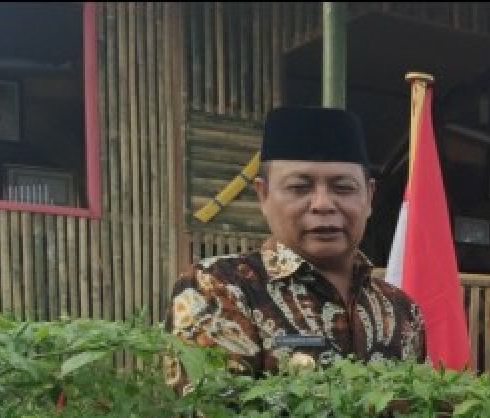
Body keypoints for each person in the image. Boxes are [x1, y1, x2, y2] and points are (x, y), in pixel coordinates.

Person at [166, 106, 425, 391]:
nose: (323, 204)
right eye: (299, 188)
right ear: (263, 196)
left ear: (369, 196)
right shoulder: (220, 288)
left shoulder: (400, 309)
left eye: (343, 188)